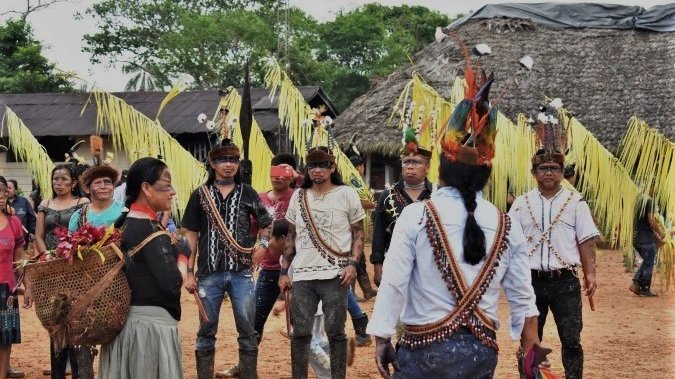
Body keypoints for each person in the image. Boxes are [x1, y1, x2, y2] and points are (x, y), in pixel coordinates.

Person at [367, 75, 549, 378]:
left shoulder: (416, 216)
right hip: (480, 354)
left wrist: (383, 337)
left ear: (440, 169)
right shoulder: (507, 224)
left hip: (422, 353)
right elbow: (524, 299)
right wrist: (535, 362)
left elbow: (394, 283)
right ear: (486, 173)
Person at [509, 110, 599, 379]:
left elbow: (586, 241)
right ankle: (529, 377)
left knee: (571, 339)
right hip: (530, 281)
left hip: (565, 282)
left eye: (554, 168)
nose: (549, 172)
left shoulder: (576, 203)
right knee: (529, 341)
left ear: (562, 173)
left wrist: (590, 273)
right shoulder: (521, 204)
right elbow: (509, 242)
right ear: (534, 172)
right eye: (543, 168)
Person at [182, 140, 272, 379]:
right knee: (206, 330)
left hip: (241, 272)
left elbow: (266, 223)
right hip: (208, 273)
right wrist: (189, 272)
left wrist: (263, 246)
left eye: (233, 160)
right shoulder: (200, 195)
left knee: (247, 329)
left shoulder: (248, 193)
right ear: (212, 163)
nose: (229, 165)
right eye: (223, 160)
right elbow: (191, 236)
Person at [280, 146, 365, 379]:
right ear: (307, 169)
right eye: (313, 166)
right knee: (301, 334)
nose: (317, 170)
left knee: (336, 332)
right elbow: (291, 236)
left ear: (333, 167)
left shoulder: (347, 194)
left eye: (323, 165)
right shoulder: (298, 196)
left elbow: (359, 233)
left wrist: (352, 265)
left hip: (335, 276)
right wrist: (284, 271)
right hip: (304, 276)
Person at [99, 157, 183, 378]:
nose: (172, 192)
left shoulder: (121, 225)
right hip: (148, 333)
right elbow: (172, 284)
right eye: (166, 186)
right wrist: (183, 257)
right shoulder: (151, 230)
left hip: (124, 330)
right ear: (146, 188)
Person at [34, 164, 89, 378]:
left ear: (74, 182)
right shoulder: (45, 204)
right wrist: (46, 256)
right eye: (56, 179)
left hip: (75, 270)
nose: (59, 183)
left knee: (75, 322)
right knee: (55, 323)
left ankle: (78, 372)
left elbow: (84, 232)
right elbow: (38, 235)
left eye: (64, 179)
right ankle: (57, 373)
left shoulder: (82, 203)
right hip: (51, 272)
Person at [371, 139, 434, 287]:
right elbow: (379, 233)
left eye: (416, 162)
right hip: (396, 266)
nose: (410, 167)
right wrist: (378, 268)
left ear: (428, 167)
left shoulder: (437, 195)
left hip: (431, 269)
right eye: (406, 162)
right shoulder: (388, 195)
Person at [0, 180, 30, 379]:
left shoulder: (14, 222)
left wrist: (28, 286)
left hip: (6, 288)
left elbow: (19, 257)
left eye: (2, 191)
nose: (0, 196)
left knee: (4, 337)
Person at [347, 154, 377, 302]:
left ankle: (367, 289)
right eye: (363, 166)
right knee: (354, 257)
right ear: (359, 167)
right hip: (351, 226)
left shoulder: (356, 181)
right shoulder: (350, 181)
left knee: (360, 257)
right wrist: (371, 204)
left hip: (358, 225)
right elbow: (356, 200)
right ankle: (352, 292)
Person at [68, 165, 125, 232]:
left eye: (107, 182)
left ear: (113, 186)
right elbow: (71, 240)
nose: (103, 186)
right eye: (97, 183)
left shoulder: (124, 210)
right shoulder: (79, 216)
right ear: (86, 188)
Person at [629, 195, 666, 297]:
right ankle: (645, 288)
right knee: (649, 263)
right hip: (646, 239)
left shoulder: (638, 200)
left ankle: (635, 283)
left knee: (647, 261)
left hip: (637, 238)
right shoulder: (649, 200)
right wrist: (660, 232)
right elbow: (651, 219)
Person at [7, 180, 36, 247]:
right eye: (6, 188)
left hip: (22, 240)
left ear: (15, 189)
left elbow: (32, 218)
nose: (8, 190)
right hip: (5, 240)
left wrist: (32, 232)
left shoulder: (23, 201)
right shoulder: (2, 202)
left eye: (10, 188)